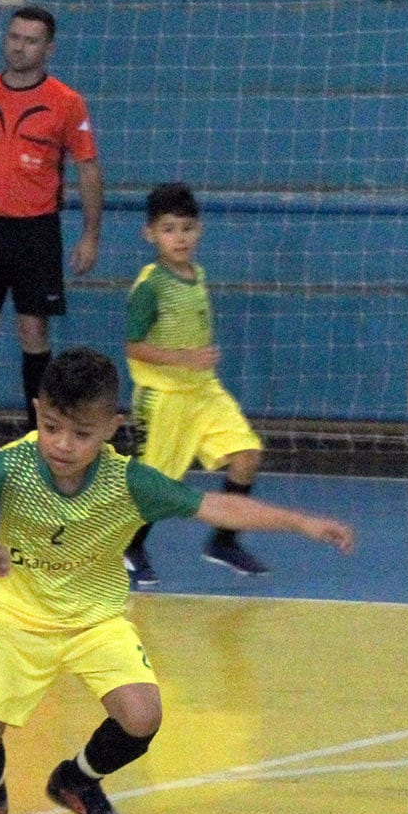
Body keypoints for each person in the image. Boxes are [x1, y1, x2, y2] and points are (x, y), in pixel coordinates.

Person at [0, 348, 353, 814]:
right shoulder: (12, 467)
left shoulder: (129, 482)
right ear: (37, 411)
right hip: (19, 620)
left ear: (111, 427)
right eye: (51, 427)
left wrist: (301, 522)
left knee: (142, 716)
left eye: (81, 434)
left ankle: (78, 780)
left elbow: (215, 506)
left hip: (96, 623)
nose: (63, 444)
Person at [0, 5, 104, 467]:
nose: (19, 47)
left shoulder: (67, 102)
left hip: (37, 231)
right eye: (14, 37)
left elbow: (88, 168)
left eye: (30, 40)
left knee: (33, 331)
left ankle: (36, 438)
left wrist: (91, 233)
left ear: (49, 48)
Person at [122, 182, 269, 587]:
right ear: (150, 234)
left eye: (187, 228)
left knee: (247, 455)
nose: (180, 238)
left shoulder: (197, 274)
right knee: (158, 484)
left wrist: (195, 366)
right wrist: (182, 359)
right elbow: (133, 346)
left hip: (204, 391)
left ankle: (224, 540)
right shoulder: (150, 286)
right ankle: (129, 546)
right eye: (169, 229)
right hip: (164, 397)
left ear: (199, 230)